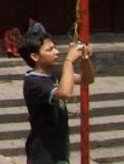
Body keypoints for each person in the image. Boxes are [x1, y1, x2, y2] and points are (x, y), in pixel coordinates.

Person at [18, 32, 95, 164]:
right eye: (50, 49)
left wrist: (85, 58)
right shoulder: (33, 82)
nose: (57, 52)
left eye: (55, 47)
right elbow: (65, 93)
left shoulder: (54, 73)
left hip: (59, 148)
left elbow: (87, 79)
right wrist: (69, 61)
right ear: (35, 56)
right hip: (43, 154)